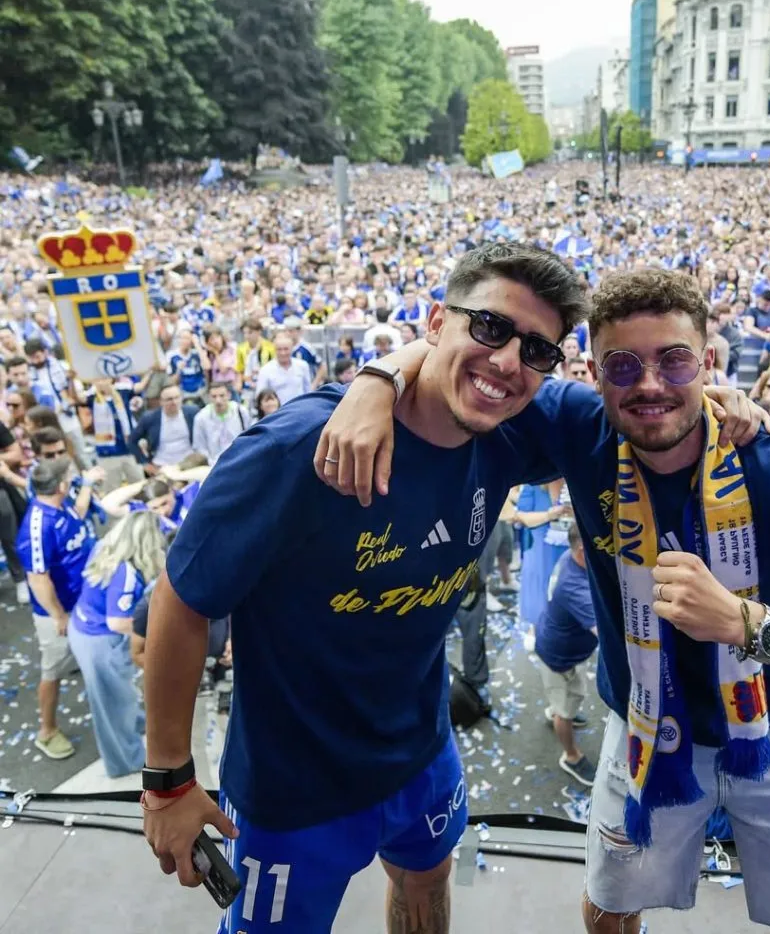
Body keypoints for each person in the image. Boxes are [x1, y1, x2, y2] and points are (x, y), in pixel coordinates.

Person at [319, 267, 770, 934]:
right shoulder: (578, 427)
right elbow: (459, 366)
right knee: (610, 911)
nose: (648, 384)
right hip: (643, 726)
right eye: (622, 365)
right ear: (591, 372)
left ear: (709, 361)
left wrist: (743, 622)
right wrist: (377, 380)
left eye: (674, 361)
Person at [140, 242, 595, 934]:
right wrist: (168, 780)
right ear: (437, 320)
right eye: (491, 327)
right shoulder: (297, 451)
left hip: (420, 749)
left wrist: (722, 402)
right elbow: (181, 598)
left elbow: (647, 407)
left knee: (429, 877)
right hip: (294, 786)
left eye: (537, 349)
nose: (507, 362)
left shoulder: (513, 425)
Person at [68, 511, 166, 777]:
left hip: (82, 626)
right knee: (112, 706)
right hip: (100, 641)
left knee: (119, 696)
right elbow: (117, 622)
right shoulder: (128, 574)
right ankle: (126, 761)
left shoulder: (105, 547)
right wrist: (151, 628)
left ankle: (134, 724)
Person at [15, 457, 97, 760]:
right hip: (58, 613)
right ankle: (46, 731)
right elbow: (37, 579)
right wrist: (58, 615)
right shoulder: (37, 524)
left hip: (80, 603)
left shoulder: (61, 505)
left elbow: (79, 513)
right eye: (72, 477)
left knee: (79, 660)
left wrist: (87, 485)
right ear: (61, 484)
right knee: (53, 670)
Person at [534, 521, 599, 786]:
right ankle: (571, 755)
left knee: (566, 697)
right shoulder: (575, 586)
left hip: (558, 641)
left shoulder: (571, 557)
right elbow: (607, 633)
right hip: (560, 655)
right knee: (565, 708)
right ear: (582, 550)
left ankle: (557, 712)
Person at [128, 384, 199, 474]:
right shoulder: (150, 418)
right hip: (161, 466)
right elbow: (131, 441)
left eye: (177, 398)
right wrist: (145, 463)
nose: (174, 402)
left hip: (189, 463)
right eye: (169, 399)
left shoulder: (192, 412)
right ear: (161, 402)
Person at [191, 382, 250, 465]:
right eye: (214, 397)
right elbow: (199, 447)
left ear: (229, 395)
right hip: (213, 464)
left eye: (222, 396)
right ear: (209, 397)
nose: (218, 400)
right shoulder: (201, 418)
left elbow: (249, 439)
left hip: (240, 461)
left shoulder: (241, 412)